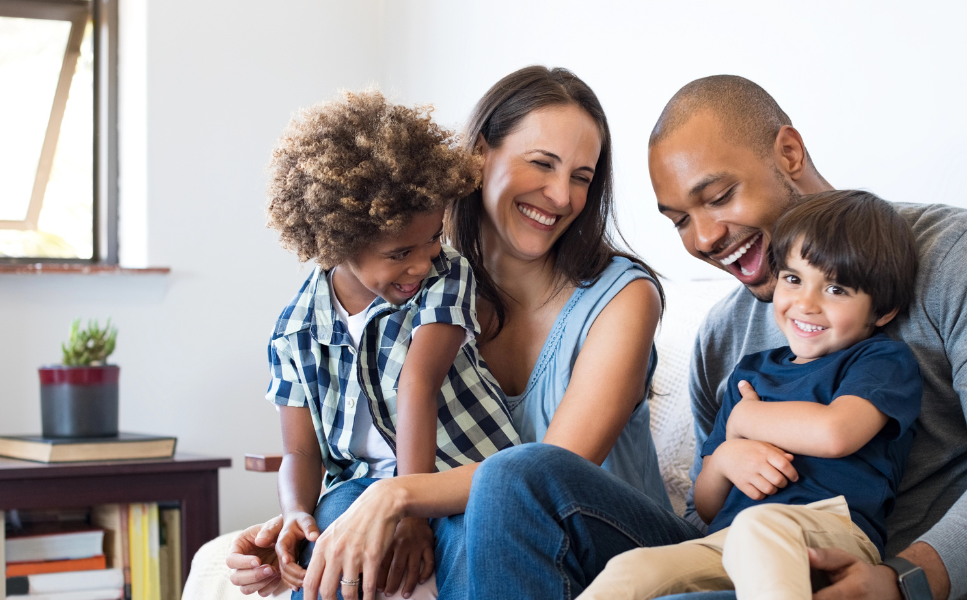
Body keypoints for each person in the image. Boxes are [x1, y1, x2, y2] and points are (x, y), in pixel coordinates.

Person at [459, 75, 967, 600]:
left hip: (857, 563)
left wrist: (903, 580)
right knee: (516, 476)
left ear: (788, 152)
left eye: (718, 196)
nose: (702, 238)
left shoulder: (959, 255)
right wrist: (727, 456)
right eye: (678, 221)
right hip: (726, 557)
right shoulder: (724, 336)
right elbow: (710, 506)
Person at [227, 66, 688, 600]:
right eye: (542, 164)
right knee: (344, 513)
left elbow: (545, 477)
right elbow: (352, 442)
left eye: (581, 177)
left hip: (607, 543)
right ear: (480, 156)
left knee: (506, 481)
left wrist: (398, 496)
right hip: (487, 532)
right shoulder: (412, 279)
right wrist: (300, 529)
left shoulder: (623, 297)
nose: (561, 195)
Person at [579, 190, 923, 600]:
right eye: (793, 279)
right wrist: (725, 458)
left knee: (757, 529)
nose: (805, 304)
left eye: (836, 290)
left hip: (830, 531)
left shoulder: (880, 358)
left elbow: (836, 433)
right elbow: (706, 506)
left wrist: (745, 422)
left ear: (882, 312)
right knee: (632, 568)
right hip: (730, 536)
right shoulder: (751, 374)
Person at [260, 89, 523, 599]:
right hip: (358, 484)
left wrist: (411, 507)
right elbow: (298, 450)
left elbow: (417, 385)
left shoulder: (447, 276)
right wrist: (295, 513)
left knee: (474, 542)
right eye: (400, 252)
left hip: (459, 473)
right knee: (328, 548)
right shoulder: (294, 329)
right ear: (338, 242)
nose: (421, 264)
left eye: (432, 240)